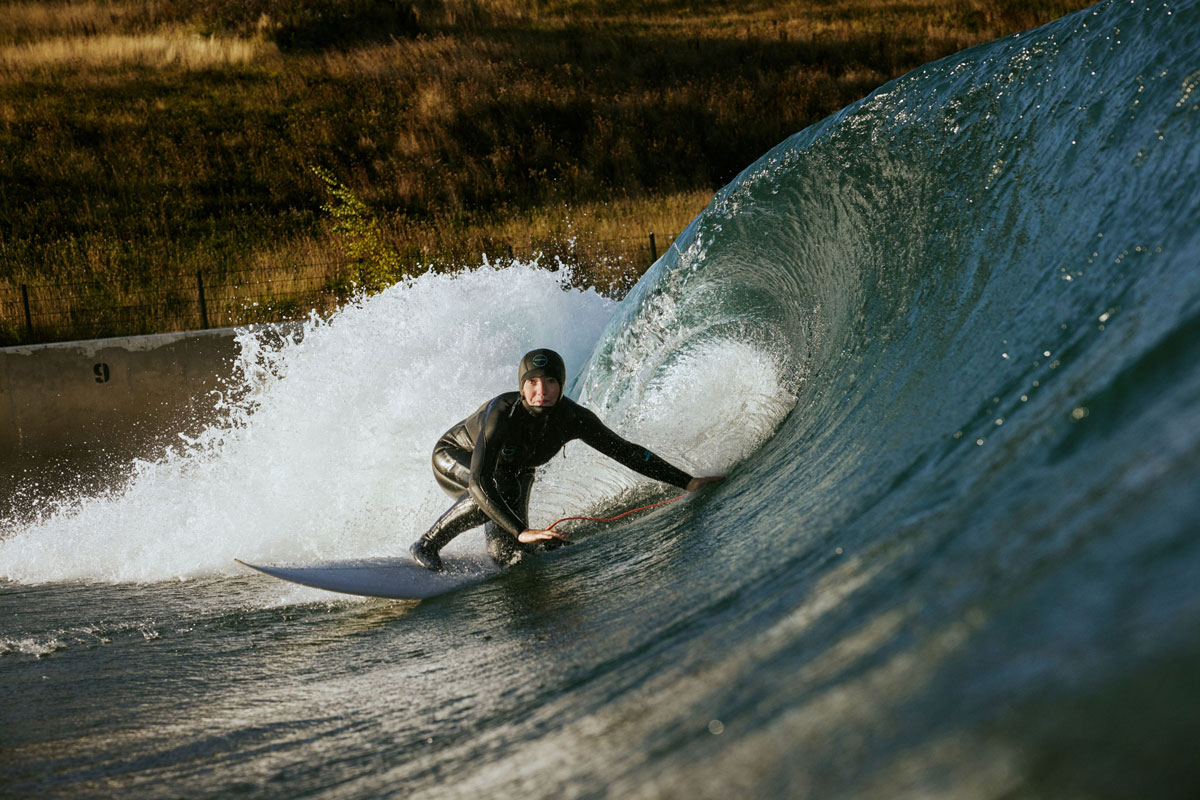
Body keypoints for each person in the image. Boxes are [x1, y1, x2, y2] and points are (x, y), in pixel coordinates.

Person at [409, 348, 725, 570]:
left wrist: (688, 481)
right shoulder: (502, 414)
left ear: (560, 383)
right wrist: (521, 529)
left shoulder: (574, 418)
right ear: (522, 386)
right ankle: (427, 543)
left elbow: (626, 451)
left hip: (511, 474)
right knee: (501, 487)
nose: (540, 391)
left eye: (549, 382)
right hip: (454, 457)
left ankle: (515, 543)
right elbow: (479, 481)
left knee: (510, 557)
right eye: (532, 382)